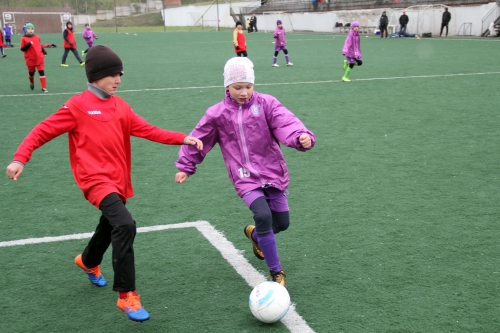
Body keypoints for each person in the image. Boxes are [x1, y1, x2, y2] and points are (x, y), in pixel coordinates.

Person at [5, 45, 204, 322]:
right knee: (124, 224)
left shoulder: (120, 106)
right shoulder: (77, 106)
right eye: (113, 74)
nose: (118, 80)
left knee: (110, 223)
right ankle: (127, 295)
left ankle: (88, 261)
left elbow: (147, 129)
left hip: (117, 180)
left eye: (120, 74)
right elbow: (42, 130)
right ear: (95, 75)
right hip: (94, 180)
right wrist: (20, 159)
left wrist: (182, 138)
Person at [175, 57, 315, 288]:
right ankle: (276, 272)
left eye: (248, 86)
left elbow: (286, 124)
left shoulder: (267, 104)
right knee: (263, 216)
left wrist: (301, 138)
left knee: (282, 223)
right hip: (243, 176)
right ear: (227, 86)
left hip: (272, 173)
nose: (243, 92)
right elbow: (199, 139)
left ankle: (257, 237)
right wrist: (186, 167)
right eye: (237, 87)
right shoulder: (217, 113)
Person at [20, 23, 48, 92]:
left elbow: (39, 46)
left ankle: (44, 88)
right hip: (30, 59)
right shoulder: (24, 38)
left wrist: (44, 51)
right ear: (26, 30)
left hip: (39, 57)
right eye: (29, 29)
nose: (30, 30)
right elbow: (22, 49)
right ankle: (31, 82)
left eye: (32, 29)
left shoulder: (37, 37)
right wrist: (29, 44)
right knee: (31, 74)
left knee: (42, 72)